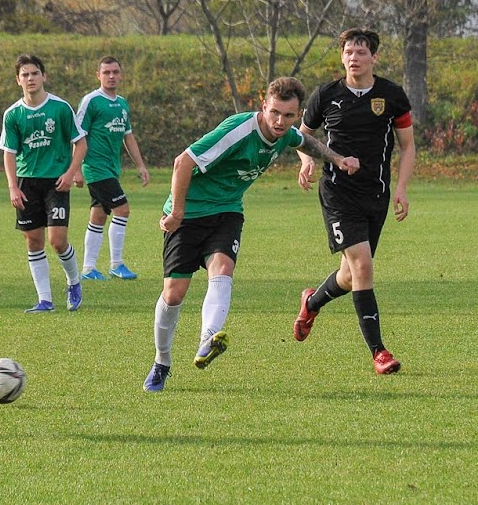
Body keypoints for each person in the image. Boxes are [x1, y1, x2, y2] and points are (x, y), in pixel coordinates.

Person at [143, 77, 360, 392]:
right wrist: (176, 212)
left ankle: (207, 340)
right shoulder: (240, 130)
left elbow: (305, 142)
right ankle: (162, 362)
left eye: (288, 116)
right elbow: (183, 162)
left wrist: (337, 159)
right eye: (274, 113)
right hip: (188, 213)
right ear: (264, 107)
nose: (280, 122)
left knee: (223, 268)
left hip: (227, 211)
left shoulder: (285, 134)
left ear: (296, 114)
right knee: (174, 294)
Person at [293, 28, 415, 375]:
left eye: (361, 52)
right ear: (342, 56)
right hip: (337, 193)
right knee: (362, 265)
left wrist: (402, 189)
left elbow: (407, 146)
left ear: (373, 57)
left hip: (375, 194)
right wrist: (307, 161)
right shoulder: (327, 94)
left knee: (349, 275)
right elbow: (302, 136)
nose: (354, 58)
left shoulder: (391, 95)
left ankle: (312, 301)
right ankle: (379, 352)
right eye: (348, 52)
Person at [0, 53, 88, 313]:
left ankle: (73, 282)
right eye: (24, 74)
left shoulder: (60, 108)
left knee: (57, 240)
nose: (30, 78)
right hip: (27, 183)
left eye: (34, 73)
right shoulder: (13, 114)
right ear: (18, 80)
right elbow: (9, 153)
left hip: (56, 182)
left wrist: (71, 172)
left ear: (43, 76)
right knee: (33, 241)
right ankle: (45, 300)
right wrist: (13, 187)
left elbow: (80, 142)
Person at [74, 56, 150, 281]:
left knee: (98, 216)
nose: (111, 76)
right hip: (95, 167)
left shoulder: (122, 103)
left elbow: (128, 137)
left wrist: (141, 165)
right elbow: (78, 136)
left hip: (111, 168)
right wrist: (76, 169)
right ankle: (116, 264)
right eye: (106, 72)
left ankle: (88, 269)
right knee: (122, 210)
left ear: (121, 74)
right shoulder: (91, 101)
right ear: (98, 75)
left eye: (115, 72)